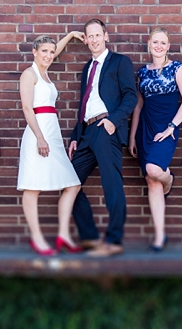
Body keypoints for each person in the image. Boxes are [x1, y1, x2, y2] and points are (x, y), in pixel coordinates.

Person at [68, 19, 138, 258]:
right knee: (68, 183)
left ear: (106, 36)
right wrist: (76, 136)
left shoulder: (120, 62)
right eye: (90, 36)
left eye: (98, 35)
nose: (94, 40)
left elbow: (131, 97)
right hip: (87, 132)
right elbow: (83, 104)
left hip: (106, 127)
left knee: (112, 185)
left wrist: (112, 121)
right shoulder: (87, 68)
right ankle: (89, 237)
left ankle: (114, 240)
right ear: (85, 39)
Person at [17, 33, 84, 256]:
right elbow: (27, 108)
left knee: (72, 184)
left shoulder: (45, 72)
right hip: (38, 134)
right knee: (32, 187)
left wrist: (72, 35)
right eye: (43, 51)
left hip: (52, 135)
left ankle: (63, 234)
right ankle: (37, 238)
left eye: (51, 52)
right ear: (34, 52)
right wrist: (39, 137)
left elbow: (56, 50)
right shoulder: (29, 74)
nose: (48, 55)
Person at [129, 28, 182, 252]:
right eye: (155, 42)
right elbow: (138, 105)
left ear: (168, 46)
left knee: (155, 171)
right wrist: (132, 137)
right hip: (145, 127)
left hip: (166, 127)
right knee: (150, 179)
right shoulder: (143, 73)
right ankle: (159, 236)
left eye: (163, 43)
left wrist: (172, 126)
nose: (158, 46)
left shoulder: (177, 68)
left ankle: (169, 180)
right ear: (149, 43)